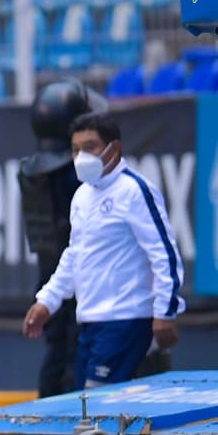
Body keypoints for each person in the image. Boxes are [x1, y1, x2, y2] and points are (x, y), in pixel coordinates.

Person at [23, 113, 184, 389]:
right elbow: (74, 255)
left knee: (97, 405)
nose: (81, 156)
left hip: (127, 319)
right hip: (91, 322)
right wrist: (47, 301)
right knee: (88, 405)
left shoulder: (134, 190)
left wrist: (164, 312)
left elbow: (164, 253)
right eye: (75, 150)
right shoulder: (82, 196)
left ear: (114, 148)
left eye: (91, 147)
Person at [18, 80, 101, 397]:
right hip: (71, 275)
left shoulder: (32, 171)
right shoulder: (74, 174)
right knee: (69, 355)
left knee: (58, 353)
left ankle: (50, 409)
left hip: (50, 272)